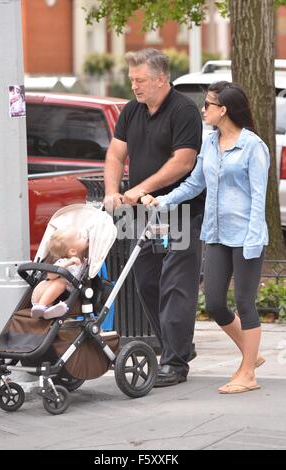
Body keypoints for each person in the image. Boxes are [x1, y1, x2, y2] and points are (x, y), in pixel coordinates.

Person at [141, 80, 269, 394]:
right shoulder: (210, 144)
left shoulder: (253, 146)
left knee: (244, 302)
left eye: (209, 105)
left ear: (224, 110)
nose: (203, 109)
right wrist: (164, 199)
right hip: (216, 233)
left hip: (245, 235)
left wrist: (253, 240)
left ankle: (248, 371)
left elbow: (258, 197)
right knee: (214, 303)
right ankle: (252, 353)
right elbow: (195, 184)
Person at [104, 48, 205, 387]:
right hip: (139, 212)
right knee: (146, 280)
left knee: (176, 284)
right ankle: (178, 346)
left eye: (140, 80)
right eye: (132, 80)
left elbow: (184, 162)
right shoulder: (131, 111)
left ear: (162, 79)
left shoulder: (184, 111)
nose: (134, 86)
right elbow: (117, 153)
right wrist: (111, 191)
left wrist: (141, 188)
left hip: (177, 210)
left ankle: (175, 364)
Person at [31, 227, 89, 320]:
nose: (85, 237)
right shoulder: (64, 261)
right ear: (72, 251)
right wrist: (68, 263)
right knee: (61, 282)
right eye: (80, 237)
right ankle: (40, 307)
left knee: (63, 286)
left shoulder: (85, 261)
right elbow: (50, 275)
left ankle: (48, 313)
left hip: (61, 297)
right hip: (43, 293)